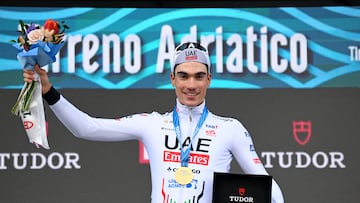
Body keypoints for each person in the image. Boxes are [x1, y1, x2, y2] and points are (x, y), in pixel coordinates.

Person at [24, 42, 284, 203]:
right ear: (172, 79)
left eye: (198, 76)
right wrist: (48, 91)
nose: (191, 85)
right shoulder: (152, 124)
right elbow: (86, 127)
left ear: (209, 79)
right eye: (183, 76)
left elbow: (269, 189)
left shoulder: (230, 128)